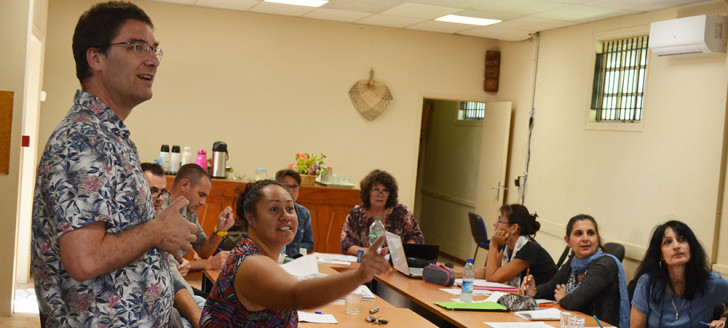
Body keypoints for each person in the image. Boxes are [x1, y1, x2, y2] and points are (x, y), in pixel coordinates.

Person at [31, 2, 197, 326]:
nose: (152, 60)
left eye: (154, 49)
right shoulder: (82, 138)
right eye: (137, 47)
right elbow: (85, 259)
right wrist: (157, 230)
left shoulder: (108, 135)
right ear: (96, 58)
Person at [199, 180, 390, 327]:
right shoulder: (250, 263)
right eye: (274, 209)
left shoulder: (253, 253)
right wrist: (358, 276)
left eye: (290, 208)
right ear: (251, 217)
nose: (286, 216)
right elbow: (296, 295)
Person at [522, 214, 630, 328]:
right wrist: (533, 291)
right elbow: (551, 286)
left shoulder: (605, 264)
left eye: (590, 233)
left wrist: (563, 299)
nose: (585, 238)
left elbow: (575, 302)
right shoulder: (574, 262)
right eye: (579, 234)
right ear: (568, 241)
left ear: (597, 239)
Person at [630, 220, 728, 328]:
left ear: (691, 247)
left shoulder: (712, 282)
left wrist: (724, 317)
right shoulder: (648, 283)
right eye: (667, 242)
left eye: (681, 240)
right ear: (660, 255)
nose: (676, 246)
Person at [141, 162, 205, 328]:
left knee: (210, 308)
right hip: (155, 308)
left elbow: (203, 249)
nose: (160, 198)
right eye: (153, 191)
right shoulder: (136, 229)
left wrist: (219, 230)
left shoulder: (161, 221)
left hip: (174, 294)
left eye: (162, 192)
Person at [162, 163, 233, 272]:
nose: (203, 203)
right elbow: (166, 264)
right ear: (184, 184)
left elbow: (203, 251)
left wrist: (220, 230)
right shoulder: (160, 208)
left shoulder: (188, 210)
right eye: (201, 195)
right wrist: (209, 263)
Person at [341, 169, 424, 255]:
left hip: (394, 263)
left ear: (390, 194)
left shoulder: (402, 212)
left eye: (385, 191)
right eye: (376, 190)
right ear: (368, 192)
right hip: (365, 262)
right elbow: (346, 244)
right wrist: (367, 252)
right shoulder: (356, 215)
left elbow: (417, 238)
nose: (380, 195)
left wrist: (398, 250)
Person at [474, 204, 556, 287]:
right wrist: (463, 273)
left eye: (500, 221)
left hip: (546, 298)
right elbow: (492, 270)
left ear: (514, 228)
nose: (495, 224)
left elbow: (492, 277)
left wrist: (494, 244)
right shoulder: (509, 246)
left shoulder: (529, 248)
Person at [275, 169, 314, 257]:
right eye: (286, 185)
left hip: (295, 259)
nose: (291, 190)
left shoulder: (304, 213)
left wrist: (292, 249)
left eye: (295, 186)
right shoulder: (270, 210)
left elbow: (309, 244)